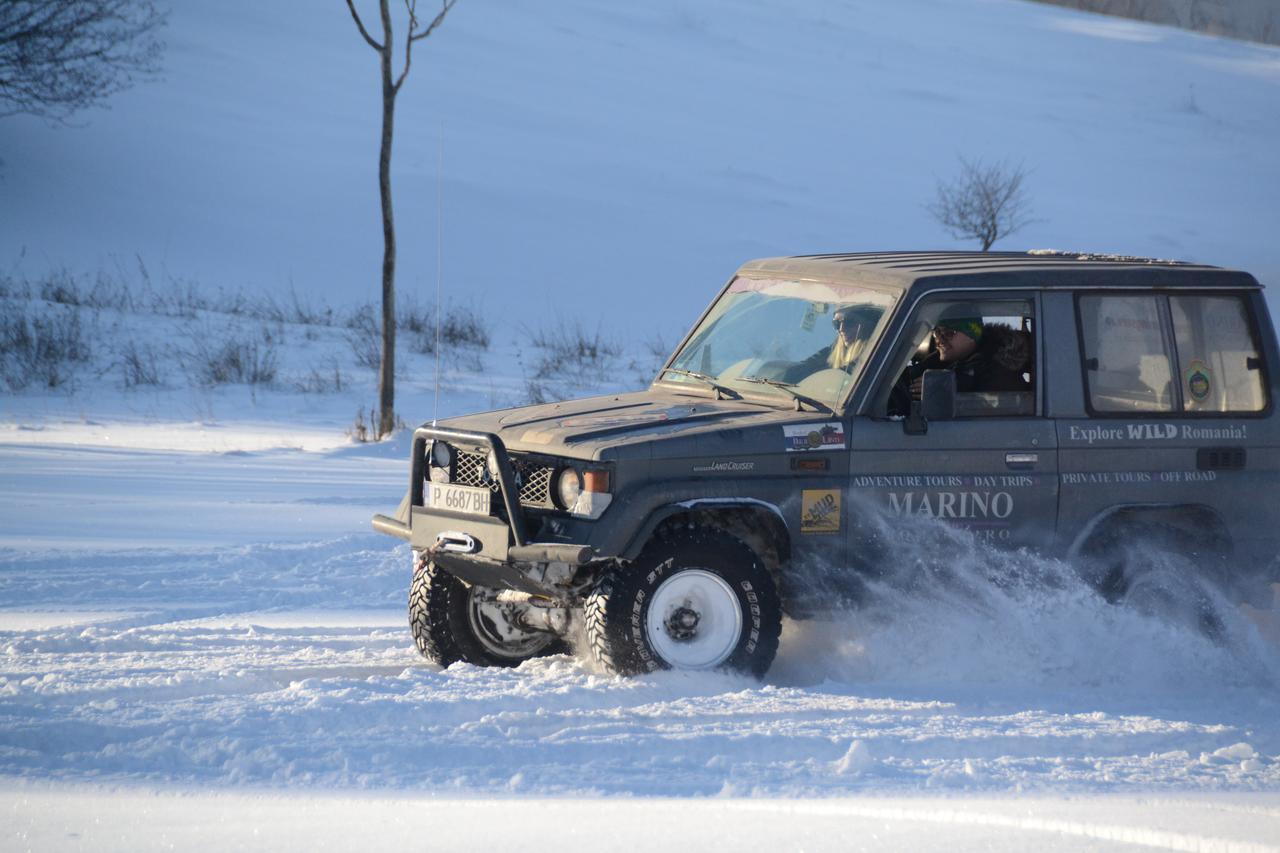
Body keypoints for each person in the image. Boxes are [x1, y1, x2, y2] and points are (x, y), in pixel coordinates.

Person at [888, 312, 1031, 415]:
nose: (940, 340)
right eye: (937, 333)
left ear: (971, 335)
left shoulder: (999, 368)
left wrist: (946, 390)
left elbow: (990, 411)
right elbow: (909, 378)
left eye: (948, 333)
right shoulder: (945, 359)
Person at [785, 304, 883, 381]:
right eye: (836, 323)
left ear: (868, 324)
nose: (841, 329)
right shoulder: (833, 350)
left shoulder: (875, 355)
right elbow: (803, 367)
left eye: (849, 322)